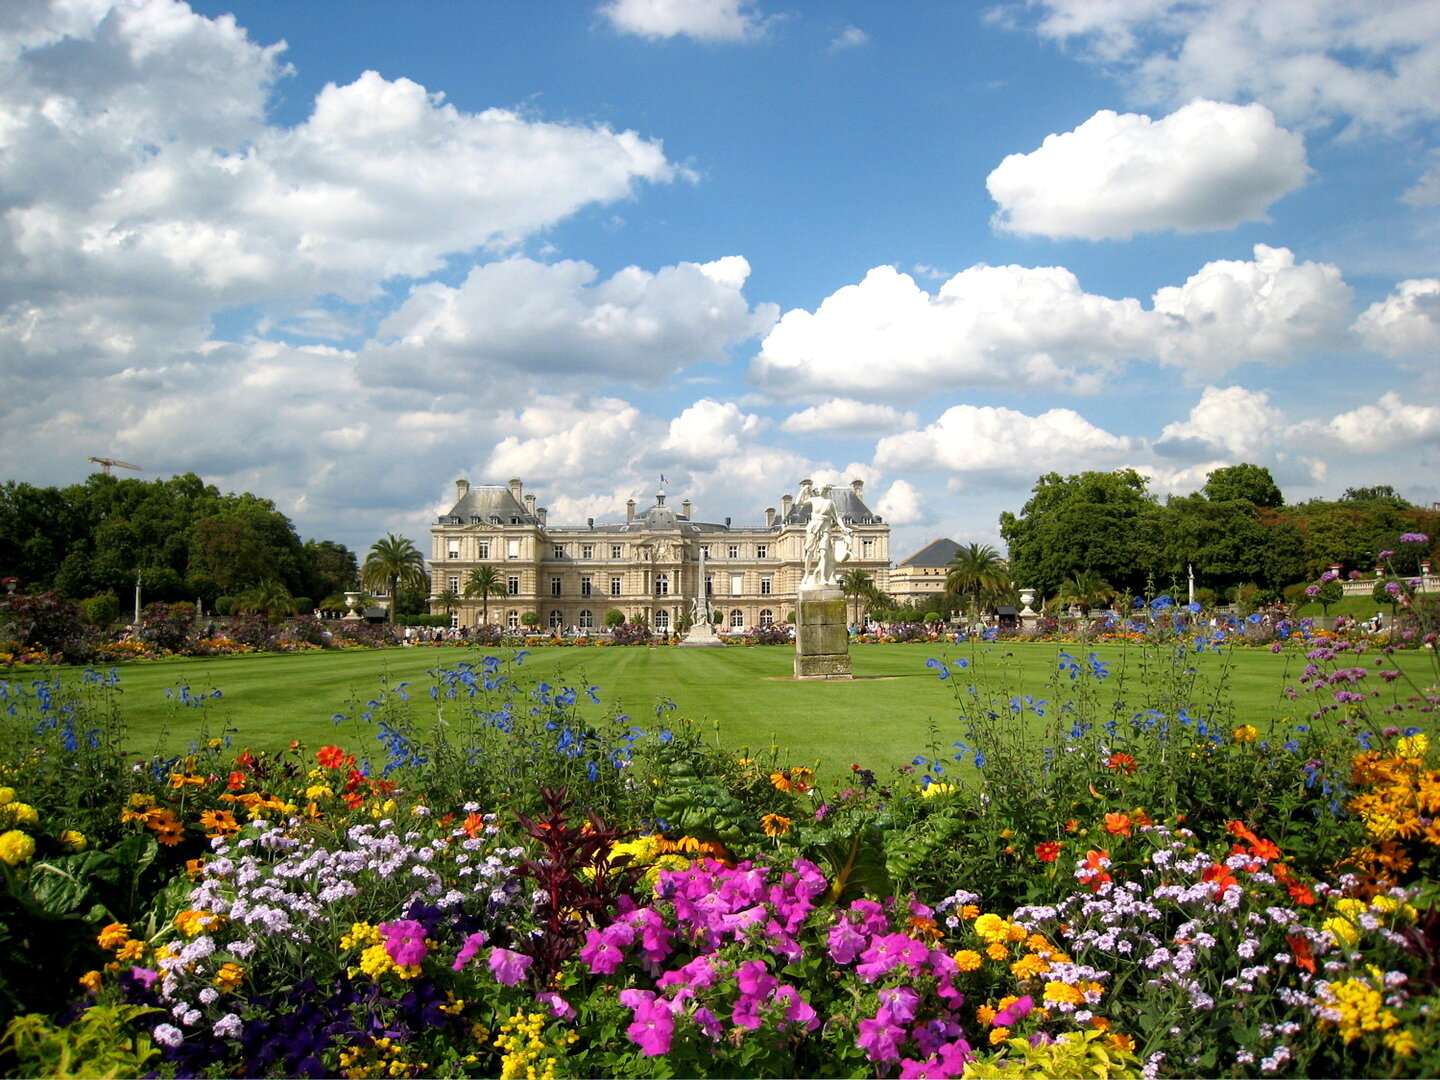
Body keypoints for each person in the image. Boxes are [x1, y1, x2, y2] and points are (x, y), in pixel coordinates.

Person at [796, 480, 854, 588]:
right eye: (818, 489)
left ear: (825, 490)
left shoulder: (830, 503)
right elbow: (798, 502)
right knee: (809, 552)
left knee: (823, 553)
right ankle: (806, 575)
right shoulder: (814, 499)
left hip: (826, 527)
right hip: (813, 526)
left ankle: (823, 578)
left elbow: (837, 517)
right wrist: (803, 490)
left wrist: (844, 528)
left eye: (820, 489)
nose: (818, 491)